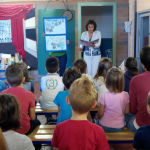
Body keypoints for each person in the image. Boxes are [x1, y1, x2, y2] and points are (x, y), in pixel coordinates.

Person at [52, 75, 109, 150]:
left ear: (67, 100)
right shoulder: (98, 131)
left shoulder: (59, 128)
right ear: (94, 104)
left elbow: (55, 148)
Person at [1, 64, 40, 134]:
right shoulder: (29, 94)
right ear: (23, 79)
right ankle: (35, 144)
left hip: (6, 130)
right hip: (24, 130)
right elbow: (32, 117)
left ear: (7, 81)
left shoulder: (2, 94)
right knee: (37, 122)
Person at [97, 67, 129, 132]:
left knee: (95, 121)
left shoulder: (104, 96)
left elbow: (101, 113)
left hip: (104, 125)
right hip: (119, 126)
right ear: (122, 82)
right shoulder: (125, 95)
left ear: (107, 82)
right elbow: (126, 111)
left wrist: (97, 117)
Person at [128, 46, 150, 132]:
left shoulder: (135, 80)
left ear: (143, 65)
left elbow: (132, 109)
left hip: (141, 125)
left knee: (127, 117)